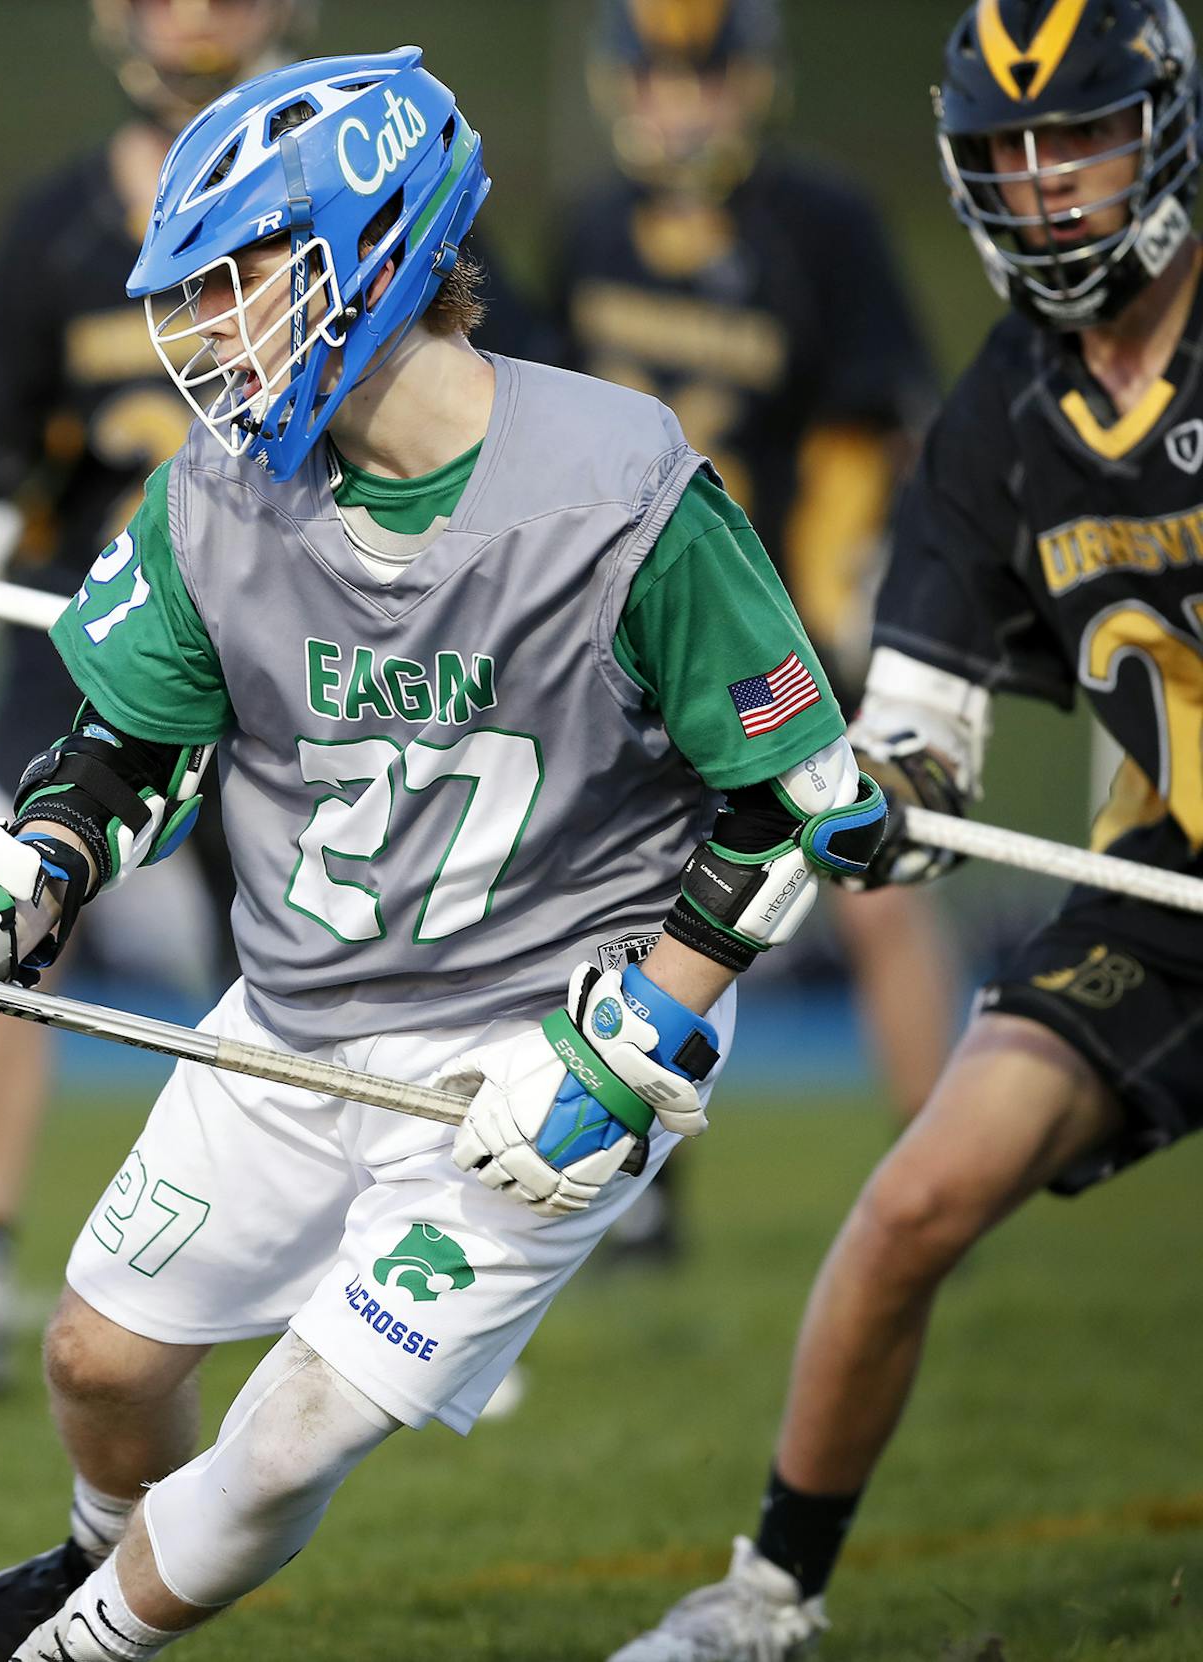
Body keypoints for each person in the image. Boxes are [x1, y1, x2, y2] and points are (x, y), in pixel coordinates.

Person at [0, 46, 886, 1660]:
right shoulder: (221, 497)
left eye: (243, 279)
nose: (205, 332)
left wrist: (639, 1030)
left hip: (546, 1037)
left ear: (372, 258)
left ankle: (75, 1643)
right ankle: (95, 1558)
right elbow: (124, 752)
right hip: (301, 1014)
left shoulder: (617, 487)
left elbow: (790, 795)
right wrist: (1, 891)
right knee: (99, 1364)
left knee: (302, 1417)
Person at [0, 0, 557, 1391]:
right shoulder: (54, 229)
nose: (199, 17)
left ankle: (407, 1259)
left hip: (323, 625)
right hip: (110, 635)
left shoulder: (371, 178)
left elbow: (504, 399)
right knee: (3, 854)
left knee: (322, 932)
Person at [610, 2, 1203, 1655]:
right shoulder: (1000, 418)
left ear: (1158, 128)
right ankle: (766, 1595)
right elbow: (923, 729)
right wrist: (895, 807)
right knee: (913, 1204)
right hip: (1165, 879)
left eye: (1073, 138)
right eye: (1004, 154)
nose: (1042, 185)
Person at [552, 0, 958, 1264]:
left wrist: (828, 607)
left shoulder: (819, 222)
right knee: (615, 897)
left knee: (875, 884)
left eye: (707, 77)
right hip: (621, 615)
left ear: (753, 86)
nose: (684, 104)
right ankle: (633, 1178)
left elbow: (877, 421)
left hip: (777, 609)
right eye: (663, 77)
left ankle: (946, 1160)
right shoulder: (589, 229)